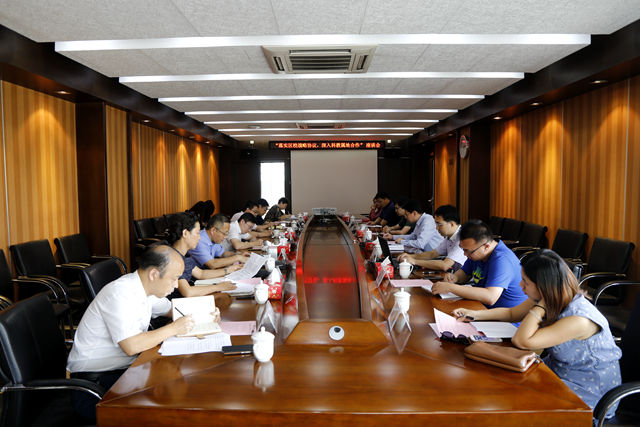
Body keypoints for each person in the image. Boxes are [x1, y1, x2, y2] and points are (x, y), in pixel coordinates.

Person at [452, 249, 622, 418]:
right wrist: (474, 314)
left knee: (507, 400)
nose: (521, 285)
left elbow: (522, 341)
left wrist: (540, 306)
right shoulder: (550, 297)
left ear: (544, 286)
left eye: (526, 282)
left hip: (587, 393)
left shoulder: (579, 319)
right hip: (556, 373)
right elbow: (512, 313)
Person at [66, 245, 196, 421]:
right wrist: (173, 328)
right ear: (154, 274)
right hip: (94, 386)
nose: (176, 285)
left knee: (174, 381)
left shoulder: (145, 289)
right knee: (165, 406)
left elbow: (173, 309)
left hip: (123, 371)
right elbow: (131, 345)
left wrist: (205, 312)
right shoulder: (121, 293)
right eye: (174, 278)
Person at [431, 219, 527, 308]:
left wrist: (451, 288)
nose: (465, 254)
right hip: (481, 307)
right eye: (463, 249)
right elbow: (465, 273)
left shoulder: (502, 260)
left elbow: (490, 297)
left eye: (467, 251)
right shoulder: (476, 253)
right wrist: (454, 278)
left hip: (504, 317)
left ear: (486, 246)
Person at [166, 212, 237, 299]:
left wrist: (229, 270)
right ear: (185, 233)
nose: (199, 237)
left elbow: (201, 274)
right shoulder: (173, 258)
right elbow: (187, 292)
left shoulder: (184, 255)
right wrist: (218, 287)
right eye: (197, 233)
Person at [398, 204, 466, 272]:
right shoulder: (449, 237)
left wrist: (414, 261)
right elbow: (432, 254)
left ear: (452, 224)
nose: (436, 228)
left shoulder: (462, 237)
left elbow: (445, 265)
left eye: (439, 224)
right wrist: (410, 256)